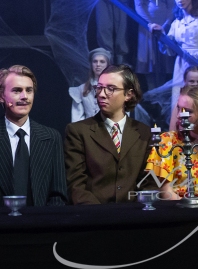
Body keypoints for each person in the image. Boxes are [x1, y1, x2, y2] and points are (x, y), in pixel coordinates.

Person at [0, 66, 68, 208]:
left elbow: (58, 196)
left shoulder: (52, 137)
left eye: (29, 90)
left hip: (44, 221)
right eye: (17, 90)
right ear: (1, 96)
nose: (24, 96)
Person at [64, 64, 155, 204]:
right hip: (92, 214)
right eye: (99, 87)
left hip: (134, 214)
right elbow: (76, 186)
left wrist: (135, 212)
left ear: (128, 94)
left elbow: (149, 183)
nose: (101, 94)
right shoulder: (78, 131)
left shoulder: (145, 133)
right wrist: (101, 214)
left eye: (111, 89)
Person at [133, 0, 175, 88]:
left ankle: (162, 91)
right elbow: (138, 5)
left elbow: (171, 6)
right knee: (149, 61)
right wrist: (149, 23)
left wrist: (166, 24)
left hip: (164, 26)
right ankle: (152, 92)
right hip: (147, 26)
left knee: (164, 62)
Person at [68, 48, 111, 123]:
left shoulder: (115, 88)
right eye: (95, 61)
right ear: (91, 64)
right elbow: (77, 119)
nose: (98, 65)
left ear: (107, 65)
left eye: (102, 62)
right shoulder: (82, 89)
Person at [167, 66, 198, 131]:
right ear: (185, 81)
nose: (195, 84)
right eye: (192, 81)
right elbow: (172, 130)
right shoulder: (180, 105)